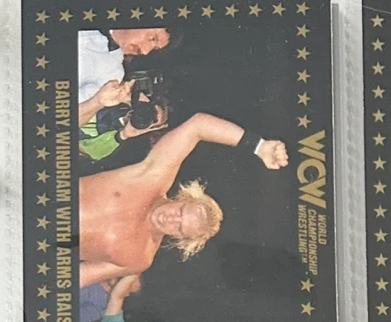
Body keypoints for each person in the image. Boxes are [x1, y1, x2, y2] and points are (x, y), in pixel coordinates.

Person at [79, 111, 288, 289]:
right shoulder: (150, 179)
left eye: (179, 227)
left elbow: (78, 277)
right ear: (181, 199)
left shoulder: (140, 257)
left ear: (180, 239)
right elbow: (197, 126)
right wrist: (259, 146)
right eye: (180, 212)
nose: (171, 219)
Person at [77, 27, 170, 111]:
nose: (145, 52)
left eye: (154, 48)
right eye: (152, 38)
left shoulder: (113, 74)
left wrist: (96, 103)